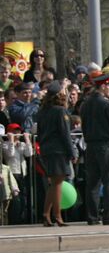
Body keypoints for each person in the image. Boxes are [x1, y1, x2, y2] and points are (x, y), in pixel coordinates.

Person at [79, 72, 109, 225]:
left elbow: (84, 126)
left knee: (92, 183)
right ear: (104, 86)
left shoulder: (85, 103)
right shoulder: (106, 104)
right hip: (106, 145)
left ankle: (92, 216)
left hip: (91, 145)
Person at [35, 82, 75, 227]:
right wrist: (71, 152)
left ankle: (46, 214)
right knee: (57, 184)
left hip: (46, 149)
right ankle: (57, 216)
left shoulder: (43, 111)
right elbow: (65, 134)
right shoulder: (60, 111)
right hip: (58, 150)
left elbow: (39, 134)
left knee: (54, 184)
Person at [1, 122, 31, 224]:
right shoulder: (5, 144)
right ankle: (14, 219)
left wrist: (27, 140)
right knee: (15, 198)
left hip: (22, 173)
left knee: (23, 197)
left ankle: (22, 218)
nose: (17, 133)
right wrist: (11, 141)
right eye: (14, 131)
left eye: (18, 131)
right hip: (13, 173)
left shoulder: (21, 144)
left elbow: (29, 153)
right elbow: (10, 154)